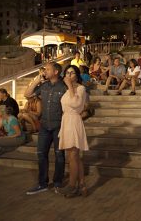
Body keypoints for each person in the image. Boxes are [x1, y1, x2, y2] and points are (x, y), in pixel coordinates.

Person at [25, 62, 67, 195]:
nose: (45, 71)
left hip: (59, 125)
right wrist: (37, 80)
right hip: (44, 125)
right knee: (41, 154)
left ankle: (57, 182)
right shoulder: (43, 85)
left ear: (56, 72)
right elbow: (27, 94)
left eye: (48, 69)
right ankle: (42, 183)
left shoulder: (64, 87)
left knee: (59, 155)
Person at [58, 65, 89, 197]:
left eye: (72, 73)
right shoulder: (67, 90)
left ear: (77, 75)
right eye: (67, 73)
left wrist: (70, 86)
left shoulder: (80, 88)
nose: (69, 75)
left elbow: (76, 104)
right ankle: (81, 185)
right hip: (66, 121)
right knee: (74, 156)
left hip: (74, 121)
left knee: (72, 156)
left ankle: (71, 186)